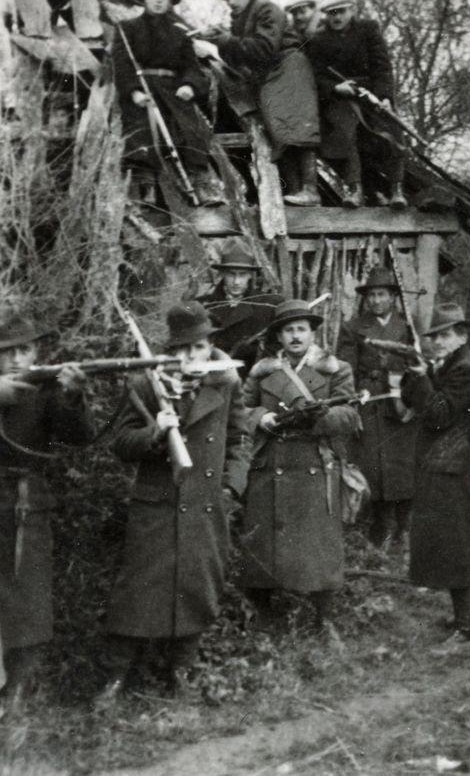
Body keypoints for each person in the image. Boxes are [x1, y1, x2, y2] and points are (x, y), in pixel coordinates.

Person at [94, 302, 248, 707]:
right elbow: (121, 444)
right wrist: (156, 433)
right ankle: (115, 676)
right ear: (169, 350)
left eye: (198, 347)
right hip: (156, 506)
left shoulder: (227, 381)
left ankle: (181, 671)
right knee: (136, 593)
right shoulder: (147, 383)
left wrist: (230, 489)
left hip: (205, 504)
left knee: (197, 589)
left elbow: (239, 440)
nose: (190, 357)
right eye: (181, 349)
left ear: (210, 345)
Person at [239, 300, 360, 630]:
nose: (295, 336)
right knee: (265, 543)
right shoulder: (262, 371)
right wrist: (261, 417)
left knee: (316, 544)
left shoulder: (336, 369)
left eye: (301, 330)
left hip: (314, 462)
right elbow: (239, 409)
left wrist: (319, 418)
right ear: (279, 336)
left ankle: (321, 615)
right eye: (288, 330)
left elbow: (350, 415)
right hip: (271, 462)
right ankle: (263, 612)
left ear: (312, 333)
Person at [0, 314, 94, 716]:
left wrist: (73, 396)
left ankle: (17, 692)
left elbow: (79, 437)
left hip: (26, 501)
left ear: (36, 352)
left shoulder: (46, 392)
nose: (17, 358)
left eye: (24, 349)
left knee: (27, 600)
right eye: (7, 351)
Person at [401, 303, 470, 655]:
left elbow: (437, 414)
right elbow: (414, 401)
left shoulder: (464, 371)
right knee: (455, 543)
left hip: (456, 469)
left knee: (458, 545)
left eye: (445, 335)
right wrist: (414, 375)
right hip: (445, 466)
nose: (437, 341)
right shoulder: (449, 365)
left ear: (462, 336)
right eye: (434, 336)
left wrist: (423, 379)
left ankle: (466, 631)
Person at [111, 0, 225, 207]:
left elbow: (192, 67)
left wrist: (189, 85)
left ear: (170, 2)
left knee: (189, 126)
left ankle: (201, 182)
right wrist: (134, 91)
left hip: (173, 89)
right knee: (141, 128)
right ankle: (145, 186)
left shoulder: (179, 33)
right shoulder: (127, 28)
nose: (159, 0)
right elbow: (121, 65)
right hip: (143, 88)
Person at [208, 0, 321, 207]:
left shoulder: (267, 10)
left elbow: (264, 48)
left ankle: (310, 190)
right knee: (279, 131)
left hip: (289, 67)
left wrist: (228, 40)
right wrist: (221, 40)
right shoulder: (239, 20)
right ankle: (294, 193)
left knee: (299, 126)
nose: (231, 2)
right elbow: (239, 56)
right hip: (268, 76)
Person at [337, 268, 417, 550]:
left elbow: (417, 363)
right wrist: (354, 396)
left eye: (382, 294)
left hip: (400, 402)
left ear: (393, 297)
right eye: (371, 295)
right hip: (370, 402)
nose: (376, 300)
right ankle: (381, 525)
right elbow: (346, 368)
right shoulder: (353, 328)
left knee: (403, 463)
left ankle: (404, 526)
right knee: (375, 463)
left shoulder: (408, 328)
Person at [307, 0, 407, 209]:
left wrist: (384, 97)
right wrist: (335, 88)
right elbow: (316, 75)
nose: (336, 17)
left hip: (370, 92)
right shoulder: (319, 40)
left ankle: (396, 189)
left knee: (392, 128)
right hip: (341, 97)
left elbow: (382, 66)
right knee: (345, 131)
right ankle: (354, 189)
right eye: (331, 13)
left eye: (341, 12)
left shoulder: (368, 29)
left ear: (352, 10)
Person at [196, 238, 283, 373]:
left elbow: (278, 347)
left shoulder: (268, 305)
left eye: (242, 275)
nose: (236, 281)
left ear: (250, 275)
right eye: (231, 274)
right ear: (222, 274)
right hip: (214, 376)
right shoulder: (202, 306)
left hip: (254, 376)